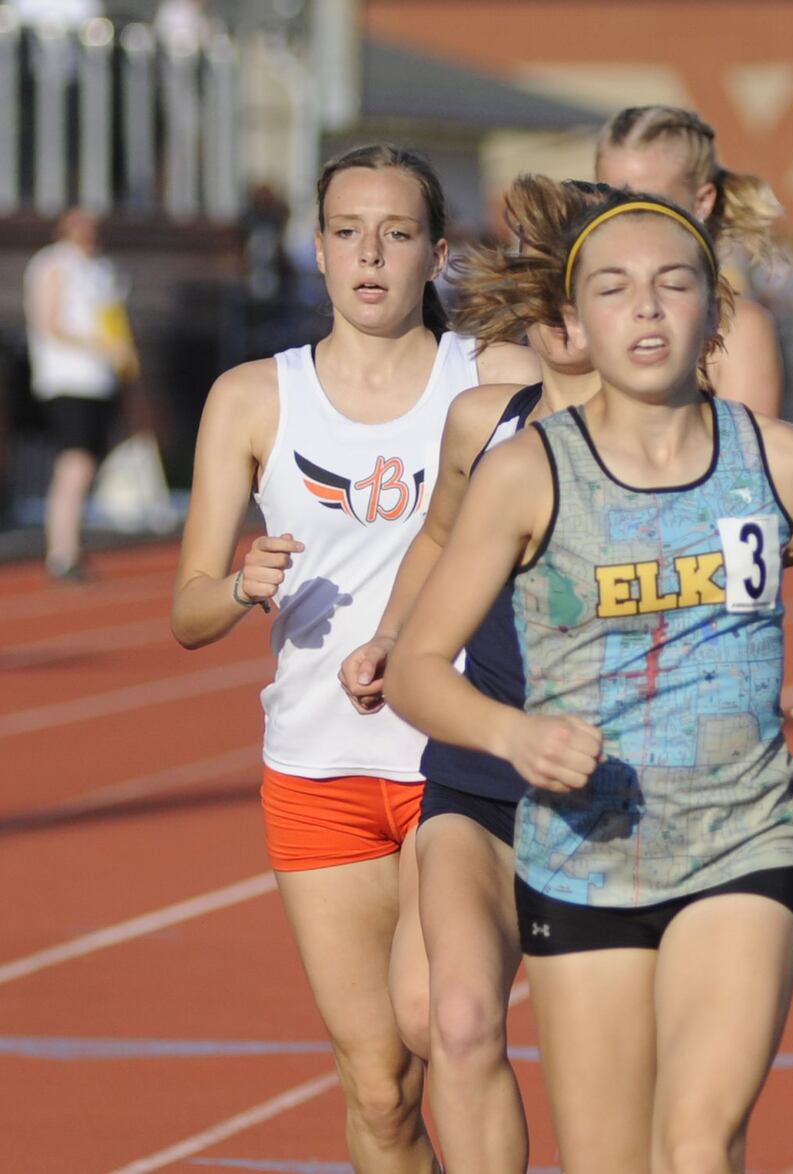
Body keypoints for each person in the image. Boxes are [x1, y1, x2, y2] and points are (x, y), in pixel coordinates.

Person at [384, 188, 793, 1174]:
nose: (645, 310)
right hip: (581, 849)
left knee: (695, 1142)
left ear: (714, 315)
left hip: (738, 838)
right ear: (574, 318)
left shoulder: (783, 463)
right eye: (615, 289)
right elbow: (418, 666)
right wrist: (510, 736)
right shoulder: (528, 472)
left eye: (673, 286)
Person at [169, 143, 540, 1172]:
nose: (369, 254)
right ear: (317, 248)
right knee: (378, 1088)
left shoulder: (497, 377)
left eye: (396, 232)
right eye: (345, 231)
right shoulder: (252, 398)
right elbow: (188, 609)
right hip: (316, 767)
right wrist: (239, 584)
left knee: (445, 1024)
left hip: (451, 765)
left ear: (436, 252)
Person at [335, 175, 605, 1173]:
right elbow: (440, 538)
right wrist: (391, 637)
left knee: (624, 1077)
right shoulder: (485, 419)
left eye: (597, 287)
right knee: (444, 1018)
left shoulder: (699, 441)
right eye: (555, 288)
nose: (570, 313)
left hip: (623, 788)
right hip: (483, 771)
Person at [594, 105, 785, 416]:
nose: (624, 217)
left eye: (648, 203)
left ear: (702, 201)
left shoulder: (736, 327)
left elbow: (747, 459)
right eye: (608, 199)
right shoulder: (577, 313)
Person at [23, 207, 135, 580]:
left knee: (86, 464)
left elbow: (112, 321)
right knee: (75, 464)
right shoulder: (54, 263)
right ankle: (62, 550)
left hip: (99, 381)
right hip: (68, 380)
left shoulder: (102, 269)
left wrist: (122, 355)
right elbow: (50, 323)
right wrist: (102, 346)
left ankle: (70, 545)